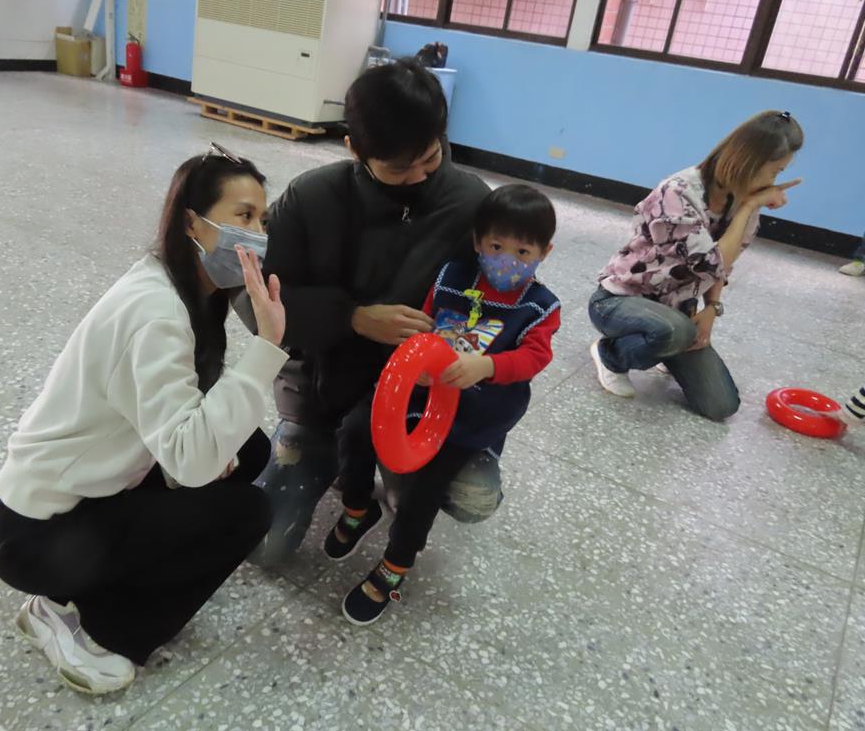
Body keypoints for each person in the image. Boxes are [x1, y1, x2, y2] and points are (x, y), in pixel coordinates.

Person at [0, 146, 288, 695]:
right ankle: (91, 625)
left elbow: (185, 415)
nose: (256, 235)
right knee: (246, 512)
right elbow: (191, 462)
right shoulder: (157, 312)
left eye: (262, 219)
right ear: (191, 222)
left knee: (251, 450)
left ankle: (104, 579)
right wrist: (267, 346)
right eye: (242, 216)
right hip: (35, 533)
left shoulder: (184, 286)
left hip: (90, 490)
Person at [249, 58, 494, 568]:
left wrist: (454, 360)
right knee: (265, 547)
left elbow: (498, 309)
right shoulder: (311, 197)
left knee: (472, 493)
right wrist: (353, 317)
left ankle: (390, 473)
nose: (418, 176)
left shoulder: (472, 204)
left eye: (430, 157)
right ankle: (341, 464)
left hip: (415, 400)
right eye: (398, 168)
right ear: (353, 149)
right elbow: (258, 303)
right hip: (320, 392)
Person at [326, 185, 560, 625]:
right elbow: (426, 323)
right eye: (496, 246)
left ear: (544, 252)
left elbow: (535, 357)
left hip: (470, 412)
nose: (507, 260)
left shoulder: (539, 306)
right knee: (356, 429)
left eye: (522, 252)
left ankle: (397, 562)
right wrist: (416, 361)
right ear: (478, 241)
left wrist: (487, 365)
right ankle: (358, 506)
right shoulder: (452, 276)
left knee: (426, 487)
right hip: (420, 391)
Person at [588, 110, 804, 421]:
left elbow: (724, 268)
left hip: (677, 311)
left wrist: (711, 310)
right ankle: (610, 355)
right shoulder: (677, 191)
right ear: (748, 162)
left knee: (720, 405)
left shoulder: (740, 199)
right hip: (621, 300)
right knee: (673, 331)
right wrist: (750, 206)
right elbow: (709, 263)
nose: (774, 182)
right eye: (774, 172)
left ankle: (664, 346)